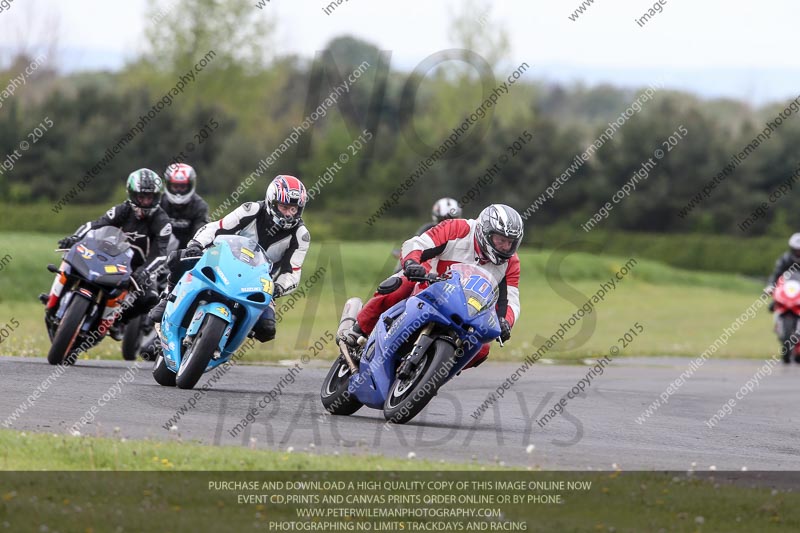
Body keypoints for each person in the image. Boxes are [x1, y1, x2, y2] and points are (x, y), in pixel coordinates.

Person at [343, 203, 523, 369]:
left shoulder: (511, 263)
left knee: (482, 348)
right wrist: (412, 263)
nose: (506, 246)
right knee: (402, 284)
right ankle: (357, 330)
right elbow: (417, 243)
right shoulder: (458, 228)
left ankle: (434, 371)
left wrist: (505, 322)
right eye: (501, 240)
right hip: (430, 283)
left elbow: (511, 300)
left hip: (468, 307)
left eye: (511, 242)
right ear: (485, 232)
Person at [148, 175, 311, 344]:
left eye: (293, 209)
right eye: (284, 207)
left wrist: (278, 288)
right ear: (271, 201)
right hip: (224, 261)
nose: (288, 214)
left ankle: (226, 340)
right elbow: (217, 228)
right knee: (179, 258)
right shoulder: (251, 210)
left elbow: (293, 271)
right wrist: (196, 245)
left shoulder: (301, 235)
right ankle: (168, 299)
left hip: (259, 280)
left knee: (267, 329)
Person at [43, 169, 172, 338]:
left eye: (150, 198)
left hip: (138, 268)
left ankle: (119, 321)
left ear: (157, 197)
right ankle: (55, 298)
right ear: (132, 195)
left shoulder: (162, 222)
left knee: (150, 298)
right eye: (141, 197)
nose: (146, 202)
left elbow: (161, 255)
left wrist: (145, 272)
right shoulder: (123, 210)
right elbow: (96, 224)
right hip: (110, 258)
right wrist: (74, 238)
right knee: (72, 259)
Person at [392, 198, 463, 272]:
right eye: (443, 220)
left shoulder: (465, 231)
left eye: (452, 220)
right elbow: (414, 246)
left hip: (458, 274)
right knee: (400, 277)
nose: (447, 225)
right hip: (429, 273)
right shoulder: (426, 229)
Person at [160, 163, 209, 249]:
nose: (178, 191)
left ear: (190, 186)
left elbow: (201, 232)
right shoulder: (160, 202)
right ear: (168, 185)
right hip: (160, 251)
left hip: (189, 252)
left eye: (182, 187)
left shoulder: (199, 206)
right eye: (175, 186)